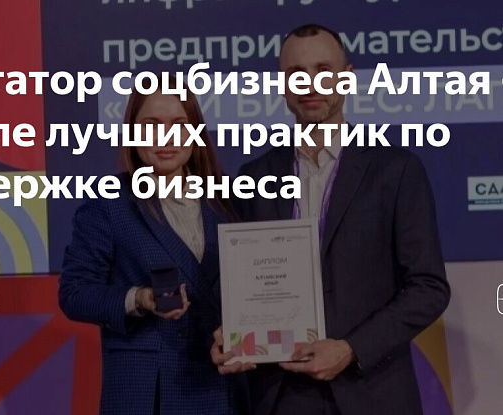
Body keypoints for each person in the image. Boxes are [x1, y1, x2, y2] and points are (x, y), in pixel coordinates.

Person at [211, 24, 451, 415]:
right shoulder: (253, 177)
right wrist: (230, 330)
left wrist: (351, 348)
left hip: (371, 393)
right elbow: (235, 283)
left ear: (347, 78)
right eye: (296, 74)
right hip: (281, 396)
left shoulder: (396, 171)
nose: (310, 84)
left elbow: (429, 288)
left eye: (323, 70)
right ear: (281, 85)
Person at [59, 77, 249, 415]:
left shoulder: (228, 200)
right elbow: (74, 293)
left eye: (179, 124)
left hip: (220, 386)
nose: (166, 137)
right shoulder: (109, 203)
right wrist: (140, 298)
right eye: (151, 125)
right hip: (147, 392)